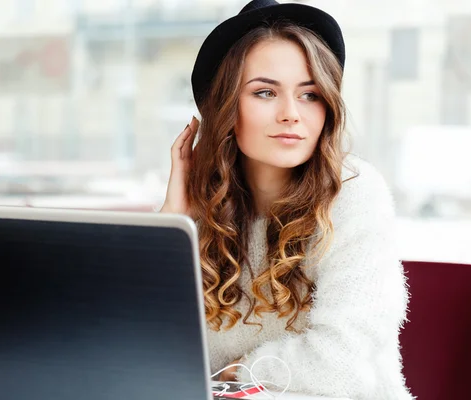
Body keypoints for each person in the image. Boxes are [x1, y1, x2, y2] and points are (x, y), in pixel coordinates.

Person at [160, 0, 413, 398]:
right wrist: (173, 224)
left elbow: (341, 362)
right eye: (264, 92)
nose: (291, 114)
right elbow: (151, 352)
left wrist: (236, 374)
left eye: (310, 95)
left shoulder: (354, 192)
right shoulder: (205, 210)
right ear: (225, 107)